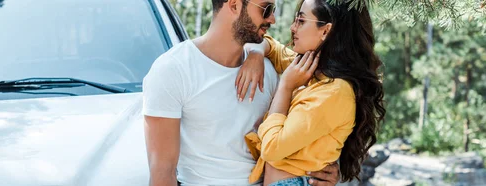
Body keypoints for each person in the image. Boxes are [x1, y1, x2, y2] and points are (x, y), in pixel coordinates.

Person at [142, 0, 341, 185]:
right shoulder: (173, 70)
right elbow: (162, 170)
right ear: (235, 5)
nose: (272, 19)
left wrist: (324, 172)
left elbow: (295, 143)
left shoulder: (270, 71)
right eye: (266, 9)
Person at [235, 0, 386, 185]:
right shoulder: (313, 71)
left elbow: (272, 148)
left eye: (301, 20)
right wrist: (256, 53)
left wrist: (286, 87)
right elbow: (273, 48)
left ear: (325, 31)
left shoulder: (334, 92)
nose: (292, 27)